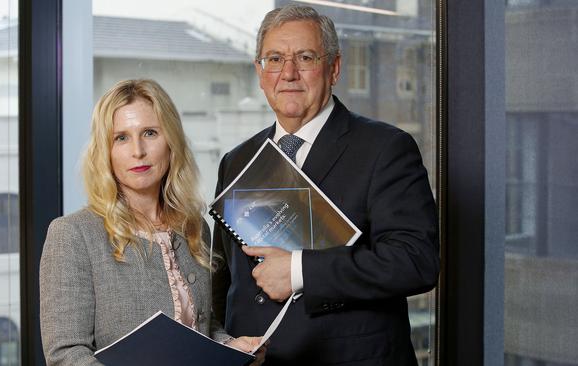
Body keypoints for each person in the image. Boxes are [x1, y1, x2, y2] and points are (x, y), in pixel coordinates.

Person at [212, 5, 439, 365]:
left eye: (304, 57)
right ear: (259, 71)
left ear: (333, 68)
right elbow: (225, 281)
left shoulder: (385, 149)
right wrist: (221, 344)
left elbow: (415, 261)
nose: (288, 73)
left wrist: (299, 271)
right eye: (274, 59)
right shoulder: (237, 160)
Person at [40, 79, 265, 365]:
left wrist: (231, 346)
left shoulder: (195, 228)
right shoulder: (73, 235)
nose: (138, 151)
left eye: (149, 133)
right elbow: (65, 355)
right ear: (105, 152)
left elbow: (202, 329)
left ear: (171, 141)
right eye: (120, 137)